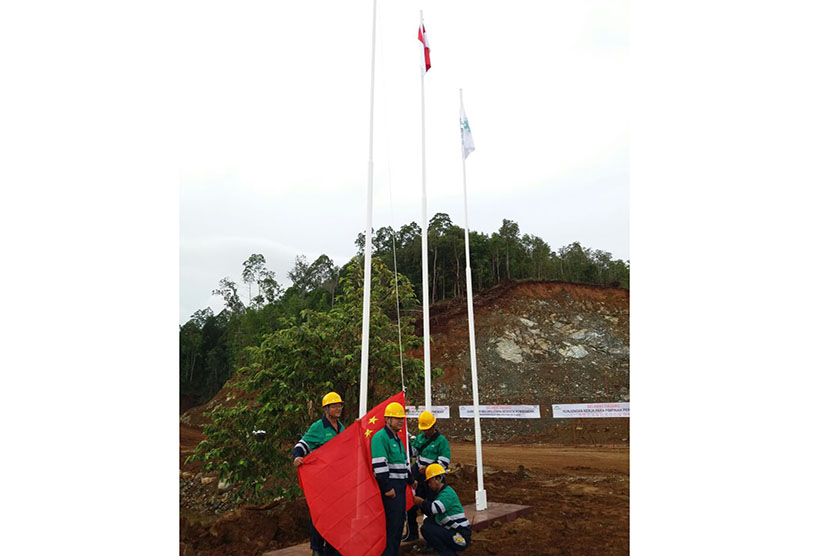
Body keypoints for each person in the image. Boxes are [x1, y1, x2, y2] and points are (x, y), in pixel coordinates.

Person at [292, 392, 345, 556]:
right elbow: (301, 445)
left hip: (337, 480)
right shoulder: (318, 427)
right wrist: (297, 457)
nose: (338, 409)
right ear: (326, 409)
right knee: (320, 514)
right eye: (334, 406)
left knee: (336, 514)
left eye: (339, 406)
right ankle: (317, 548)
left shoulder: (341, 427)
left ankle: (332, 547)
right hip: (322, 480)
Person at [371, 401, 416, 556]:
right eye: (397, 418)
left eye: (402, 418)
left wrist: (411, 480)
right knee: (392, 526)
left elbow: (403, 463)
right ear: (387, 419)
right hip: (392, 489)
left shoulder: (397, 439)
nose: (400, 421)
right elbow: (379, 466)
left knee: (398, 525)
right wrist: (387, 488)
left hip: (401, 487)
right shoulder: (380, 437)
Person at [403, 410, 451, 542]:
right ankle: (412, 533)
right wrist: (406, 442)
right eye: (424, 429)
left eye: (428, 429)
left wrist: (429, 468)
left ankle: (433, 536)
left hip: (433, 479)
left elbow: (444, 461)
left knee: (431, 507)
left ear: (434, 426)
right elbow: (413, 452)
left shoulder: (442, 441)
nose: (426, 432)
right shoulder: (420, 438)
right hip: (418, 475)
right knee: (411, 503)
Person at [412, 464, 472, 556]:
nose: (429, 485)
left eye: (430, 481)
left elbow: (434, 509)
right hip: (454, 530)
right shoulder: (441, 493)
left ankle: (447, 553)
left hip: (461, 534)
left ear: (438, 479)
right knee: (428, 523)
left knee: (427, 529)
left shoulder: (447, 494)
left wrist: (421, 502)